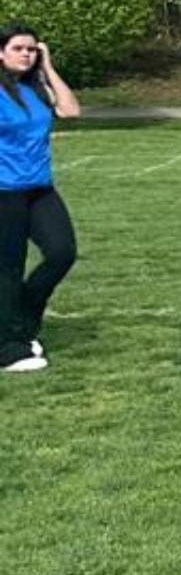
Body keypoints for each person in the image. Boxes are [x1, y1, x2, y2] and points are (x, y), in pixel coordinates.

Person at [0, 25, 78, 374]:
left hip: (40, 189)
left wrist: (48, 68)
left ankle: (21, 322)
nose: (26, 54)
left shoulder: (36, 88)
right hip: (5, 192)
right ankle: (8, 347)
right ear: (1, 53)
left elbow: (71, 111)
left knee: (62, 252)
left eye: (32, 49)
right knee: (8, 270)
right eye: (18, 48)